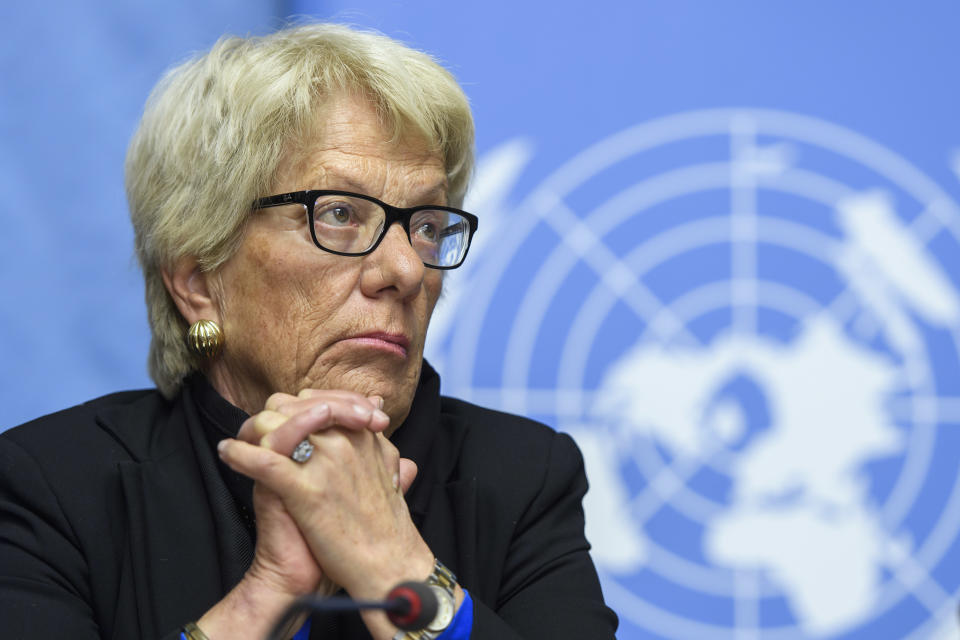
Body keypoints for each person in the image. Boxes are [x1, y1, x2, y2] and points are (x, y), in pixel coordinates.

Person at [0, 23, 618, 640]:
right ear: (196, 279)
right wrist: (267, 595)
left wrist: (392, 560)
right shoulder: (50, 488)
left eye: (427, 224)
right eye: (339, 214)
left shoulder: (522, 478)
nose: (406, 269)